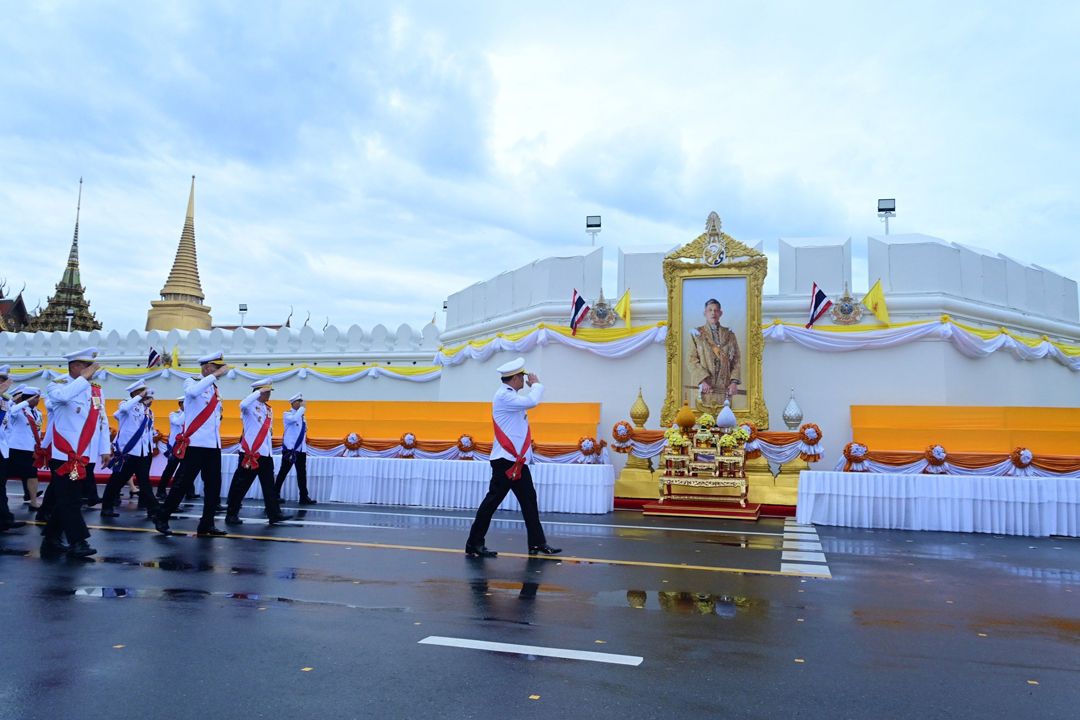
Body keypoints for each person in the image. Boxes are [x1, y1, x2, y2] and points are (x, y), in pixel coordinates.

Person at [465, 357, 560, 558]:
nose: (524, 381)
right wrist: (537, 385)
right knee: (492, 502)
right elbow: (533, 401)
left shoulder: (510, 397)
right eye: (522, 377)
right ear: (515, 378)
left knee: (529, 501)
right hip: (505, 461)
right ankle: (474, 543)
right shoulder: (504, 396)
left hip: (516, 461)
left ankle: (537, 543)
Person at [41, 348, 112, 557]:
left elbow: (102, 420)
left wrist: (105, 449)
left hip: (85, 454)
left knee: (70, 497)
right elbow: (62, 399)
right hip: (65, 455)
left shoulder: (96, 391)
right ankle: (78, 541)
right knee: (70, 499)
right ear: (74, 366)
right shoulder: (58, 385)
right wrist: (83, 379)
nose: (92, 370)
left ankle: (51, 537)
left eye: (91, 366)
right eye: (87, 366)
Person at [154, 351, 229, 537]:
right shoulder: (192, 382)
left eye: (219, 368)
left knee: (213, 487)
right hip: (195, 445)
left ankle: (207, 523)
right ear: (206, 368)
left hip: (212, 446)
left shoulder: (214, 390)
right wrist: (214, 376)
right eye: (216, 367)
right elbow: (192, 393)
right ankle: (162, 517)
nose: (220, 370)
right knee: (182, 483)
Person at [225, 379, 292, 526]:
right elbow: (242, 404)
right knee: (242, 485)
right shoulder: (249, 406)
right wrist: (257, 393)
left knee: (269, 486)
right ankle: (231, 514)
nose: (269, 394)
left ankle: (274, 514)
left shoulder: (268, 409)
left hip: (265, 453)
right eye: (266, 391)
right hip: (251, 453)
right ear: (259, 392)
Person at [100, 381, 159, 521]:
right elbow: (122, 411)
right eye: (142, 392)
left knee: (145, 482)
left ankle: (154, 510)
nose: (145, 394)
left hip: (143, 452)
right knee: (116, 481)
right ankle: (106, 507)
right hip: (128, 451)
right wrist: (138, 398)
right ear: (135, 393)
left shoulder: (148, 411)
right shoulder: (125, 404)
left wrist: (151, 447)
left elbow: (147, 432)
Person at [688, 298, 741, 408]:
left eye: (716, 310)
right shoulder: (697, 334)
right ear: (705, 313)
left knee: (725, 422)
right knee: (705, 422)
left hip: (725, 389)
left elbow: (736, 360)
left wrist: (734, 382)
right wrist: (702, 380)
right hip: (706, 388)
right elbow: (691, 360)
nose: (713, 313)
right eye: (710, 310)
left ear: (720, 313)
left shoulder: (729, 334)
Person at [6, 386, 45, 512]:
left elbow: (37, 432)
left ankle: (34, 502)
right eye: (36, 398)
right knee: (4, 476)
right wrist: (24, 402)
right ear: (29, 399)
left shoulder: (38, 413)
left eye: (38, 397)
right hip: (14, 449)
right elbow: (11, 411)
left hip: (29, 450)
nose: (38, 400)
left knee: (32, 475)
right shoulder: (18, 410)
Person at [0, 366, 28, 533]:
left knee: (1, 487)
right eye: (2, 381)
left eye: (5, 380)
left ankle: (4, 519)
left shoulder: (4, 401)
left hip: (2, 449)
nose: (5, 384)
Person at [275, 392, 315, 505]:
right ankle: (275, 494)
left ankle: (304, 496)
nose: (301, 404)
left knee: (302, 473)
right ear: (293, 403)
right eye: (299, 402)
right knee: (283, 472)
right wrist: (302, 409)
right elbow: (293, 419)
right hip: (290, 449)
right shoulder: (287, 414)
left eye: (301, 402)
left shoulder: (302, 417)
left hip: (301, 450)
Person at [155, 396, 186, 501]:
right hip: (175, 446)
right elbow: (178, 422)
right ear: (181, 404)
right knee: (170, 469)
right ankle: (161, 490)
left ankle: (189, 491)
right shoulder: (174, 414)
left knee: (185, 469)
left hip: (186, 445)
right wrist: (188, 411)